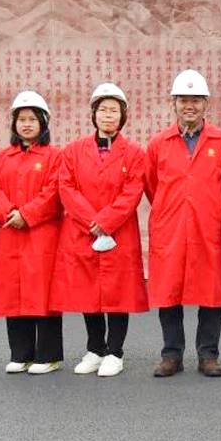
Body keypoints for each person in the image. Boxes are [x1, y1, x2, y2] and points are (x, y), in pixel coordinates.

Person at [52, 83, 148, 378]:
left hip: (119, 232)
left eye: (114, 111)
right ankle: (95, 349)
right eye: (103, 110)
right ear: (93, 114)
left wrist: (106, 220)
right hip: (83, 231)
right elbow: (66, 187)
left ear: (123, 116)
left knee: (119, 292)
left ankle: (115, 352)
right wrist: (91, 220)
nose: (108, 116)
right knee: (88, 291)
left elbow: (133, 190)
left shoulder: (134, 153)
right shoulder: (73, 151)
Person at [145, 70, 221, 378]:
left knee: (210, 292)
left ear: (206, 103)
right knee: (169, 291)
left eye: (196, 100)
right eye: (183, 100)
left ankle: (208, 355)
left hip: (208, 227)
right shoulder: (159, 143)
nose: (189, 106)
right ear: (174, 103)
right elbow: (152, 186)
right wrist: (172, 210)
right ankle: (172, 354)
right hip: (170, 227)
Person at [0, 91, 64, 375]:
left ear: (43, 123)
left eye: (33, 119)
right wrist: (10, 213)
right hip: (10, 234)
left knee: (42, 293)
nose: (27, 124)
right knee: (14, 292)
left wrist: (27, 214)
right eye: (22, 119)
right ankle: (20, 353)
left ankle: (49, 355)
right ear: (14, 124)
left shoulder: (55, 157)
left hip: (42, 234)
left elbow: (54, 191)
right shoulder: (2, 158)